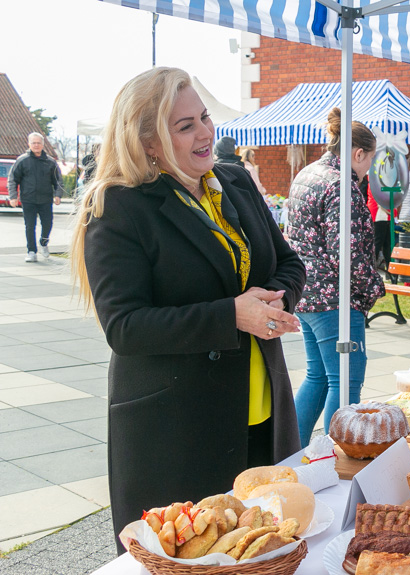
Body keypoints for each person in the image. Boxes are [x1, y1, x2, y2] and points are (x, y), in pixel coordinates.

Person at [68, 67, 306, 551]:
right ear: (148, 142)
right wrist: (231, 315)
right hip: (177, 427)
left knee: (262, 548)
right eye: (185, 126)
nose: (205, 132)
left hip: (262, 408)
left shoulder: (234, 181)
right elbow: (125, 326)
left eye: (204, 117)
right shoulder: (118, 207)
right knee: (191, 555)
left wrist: (275, 300)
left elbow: (287, 261)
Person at [284, 108, 385, 447]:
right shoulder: (341, 185)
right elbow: (349, 254)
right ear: (358, 153)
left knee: (319, 377)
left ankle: (291, 452)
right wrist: (373, 287)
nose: (368, 169)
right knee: (344, 382)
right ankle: (334, 456)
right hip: (334, 299)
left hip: (305, 293)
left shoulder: (308, 173)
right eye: (369, 160)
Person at [7, 132, 63, 262]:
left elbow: (58, 181)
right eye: (34, 143)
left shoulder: (50, 162)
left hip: (45, 199)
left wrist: (58, 195)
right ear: (29, 144)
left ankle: (43, 243)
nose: (36, 145)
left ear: (43, 144)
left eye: (39, 143)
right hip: (28, 199)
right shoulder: (22, 160)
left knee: (48, 224)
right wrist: (13, 196)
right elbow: (13, 179)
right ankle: (31, 251)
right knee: (30, 226)